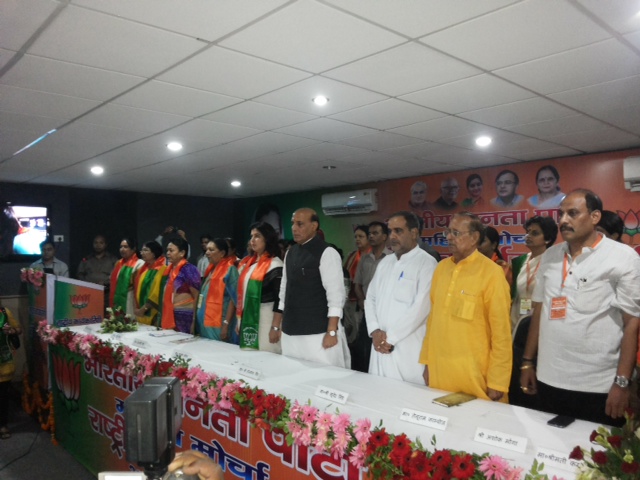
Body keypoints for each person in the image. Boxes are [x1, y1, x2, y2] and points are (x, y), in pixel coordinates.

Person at [520, 189, 640, 425]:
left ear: (595, 217)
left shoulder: (623, 258)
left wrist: (622, 382)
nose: (563, 220)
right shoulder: (550, 257)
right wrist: (527, 362)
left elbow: (632, 324)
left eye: (573, 213)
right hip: (548, 379)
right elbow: (539, 313)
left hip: (598, 386)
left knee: (592, 457)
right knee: (549, 451)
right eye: (561, 214)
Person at [420, 212, 512, 402]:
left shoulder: (492, 273)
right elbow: (432, 320)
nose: (449, 237)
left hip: (475, 375)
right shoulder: (441, 269)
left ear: (474, 238)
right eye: (448, 232)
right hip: (440, 370)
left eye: (456, 232)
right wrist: (428, 362)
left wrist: (498, 380)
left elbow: (501, 332)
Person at [365, 212, 436, 385]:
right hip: (379, 346)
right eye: (390, 231)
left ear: (414, 233)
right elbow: (370, 298)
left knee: (409, 402)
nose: (393, 236)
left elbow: (421, 309)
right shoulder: (385, 263)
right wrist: (374, 331)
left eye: (399, 231)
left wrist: (389, 339)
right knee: (378, 395)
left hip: (407, 348)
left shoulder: (427, 263)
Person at [277, 208, 350, 368]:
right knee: (292, 375)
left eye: (300, 224)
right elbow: (284, 290)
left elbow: (336, 296)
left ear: (314, 226)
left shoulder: (327, 252)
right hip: (290, 329)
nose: (294, 228)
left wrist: (331, 331)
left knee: (323, 377)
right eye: (293, 224)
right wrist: (278, 324)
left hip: (318, 332)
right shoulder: (291, 252)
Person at [508, 216, 558, 408]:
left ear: (547, 239)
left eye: (534, 233)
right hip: (516, 324)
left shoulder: (553, 262)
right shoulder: (521, 261)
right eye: (527, 232)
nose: (528, 236)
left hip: (540, 328)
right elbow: (516, 296)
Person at [237, 222, 283, 353]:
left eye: (257, 236)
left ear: (267, 239)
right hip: (249, 318)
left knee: (265, 356)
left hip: (267, 320)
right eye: (251, 236)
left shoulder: (276, 265)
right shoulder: (250, 264)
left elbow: (280, 300)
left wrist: (275, 327)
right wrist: (240, 321)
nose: (252, 240)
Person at [352, 221, 391, 373]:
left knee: (381, 344)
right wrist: (363, 301)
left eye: (376, 233)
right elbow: (357, 284)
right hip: (366, 310)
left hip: (383, 311)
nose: (371, 236)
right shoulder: (364, 259)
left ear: (385, 237)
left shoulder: (391, 259)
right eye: (370, 234)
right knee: (362, 345)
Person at [196, 238, 238, 342]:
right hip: (204, 323)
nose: (207, 253)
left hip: (218, 324)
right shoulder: (210, 270)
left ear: (222, 253)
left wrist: (226, 323)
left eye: (211, 250)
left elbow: (235, 299)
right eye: (207, 250)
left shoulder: (230, 269)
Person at [160, 237, 201, 334]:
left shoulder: (189, 269)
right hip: (170, 316)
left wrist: (194, 321)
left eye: (171, 250)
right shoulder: (169, 270)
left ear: (182, 253)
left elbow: (197, 296)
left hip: (186, 318)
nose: (168, 253)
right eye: (167, 250)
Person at [343, 225, 370, 344]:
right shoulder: (352, 255)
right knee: (348, 330)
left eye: (361, 236)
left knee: (358, 333)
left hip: (363, 302)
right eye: (356, 237)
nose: (357, 239)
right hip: (349, 299)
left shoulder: (372, 257)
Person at [77, 234, 117, 310]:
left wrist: (105, 283)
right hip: (89, 293)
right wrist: (88, 284)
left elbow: (116, 276)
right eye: (96, 243)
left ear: (105, 245)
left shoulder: (112, 259)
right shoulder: (86, 259)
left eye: (101, 243)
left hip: (106, 294)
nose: (98, 245)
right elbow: (80, 274)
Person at [132, 241, 167, 326]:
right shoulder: (143, 269)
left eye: (145, 250)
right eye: (142, 250)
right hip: (140, 311)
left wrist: (143, 309)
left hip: (153, 313)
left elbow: (156, 294)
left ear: (154, 253)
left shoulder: (162, 269)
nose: (142, 252)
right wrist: (137, 309)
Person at [0, 303, 21, 440]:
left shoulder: (4, 312)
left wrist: (11, 331)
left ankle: (3, 425)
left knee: (2, 396)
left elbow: (18, 329)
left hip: (3, 361)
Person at [110, 237, 144, 315]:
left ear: (133, 249)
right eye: (121, 247)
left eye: (126, 247)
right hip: (117, 298)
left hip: (131, 299)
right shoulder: (118, 263)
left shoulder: (139, 263)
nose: (122, 249)